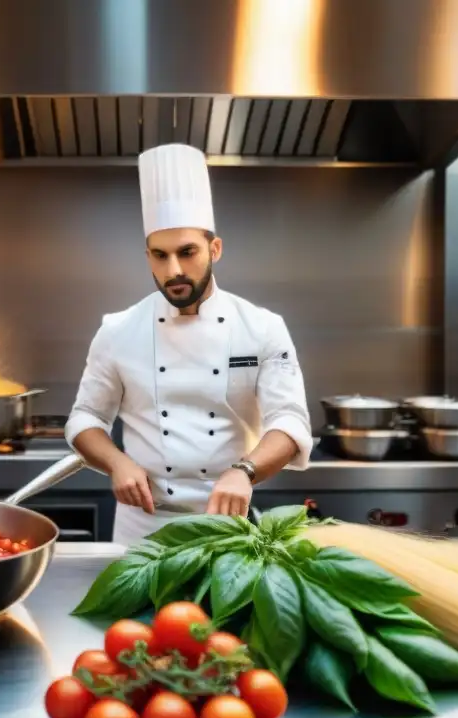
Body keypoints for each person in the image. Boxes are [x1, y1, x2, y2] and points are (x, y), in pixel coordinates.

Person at [65, 143, 313, 544]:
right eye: (160, 256)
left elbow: (290, 422)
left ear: (214, 249)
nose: (174, 269)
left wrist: (245, 471)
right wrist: (116, 462)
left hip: (226, 528)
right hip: (140, 530)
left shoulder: (262, 328)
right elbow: (85, 419)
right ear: (147, 257)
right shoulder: (118, 330)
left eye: (187, 252)